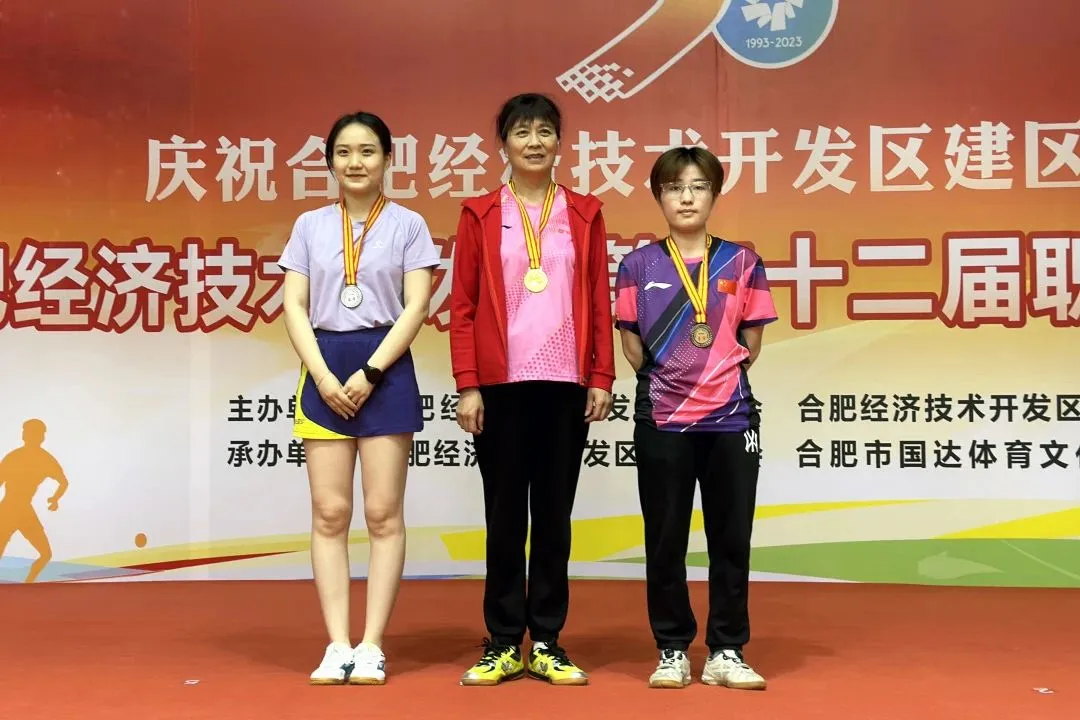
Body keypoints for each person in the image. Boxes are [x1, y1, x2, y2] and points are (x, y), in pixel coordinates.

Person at [449, 93, 616, 686]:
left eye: (545, 131)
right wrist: (468, 384)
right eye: (522, 132)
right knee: (503, 517)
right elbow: (463, 307)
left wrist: (601, 375)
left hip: (565, 384)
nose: (535, 142)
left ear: (560, 143)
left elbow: (598, 298)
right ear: (503, 144)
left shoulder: (585, 213)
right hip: (501, 386)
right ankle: (501, 641)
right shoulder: (479, 214)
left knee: (553, 516)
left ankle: (546, 640)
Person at [279, 111, 439, 686]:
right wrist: (322, 376)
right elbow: (294, 305)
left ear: (388, 159)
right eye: (343, 152)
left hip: (385, 366)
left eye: (368, 151)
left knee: (381, 513)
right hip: (324, 364)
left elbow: (416, 305)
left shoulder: (408, 225)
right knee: (329, 513)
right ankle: (337, 644)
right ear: (329, 162)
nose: (355, 162)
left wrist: (372, 371)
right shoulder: (309, 226)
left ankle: (371, 645)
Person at [614, 147, 777, 691]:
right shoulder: (637, 266)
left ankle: (727, 649)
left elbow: (751, 342)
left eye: (698, 186)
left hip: (732, 418)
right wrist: (674, 380)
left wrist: (714, 379)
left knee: (732, 537)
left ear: (714, 194)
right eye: (674, 187)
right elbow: (632, 347)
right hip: (663, 417)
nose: (686, 197)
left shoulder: (742, 262)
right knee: (664, 538)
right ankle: (672, 649)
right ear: (659, 196)